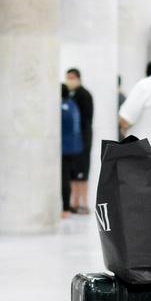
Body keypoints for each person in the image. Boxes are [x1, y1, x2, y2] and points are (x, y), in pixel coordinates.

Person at [65, 68, 94, 215]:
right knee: (73, 174)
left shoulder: (84, 95)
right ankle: (74, 202)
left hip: (83, 140)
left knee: (83, 173)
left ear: (78, 78)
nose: (69, 80)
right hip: (72, 142)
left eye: (72, 77)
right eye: (67, 77)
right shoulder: (70, 95)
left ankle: (84, 203)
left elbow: (87, 120)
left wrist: (84, 140)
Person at [60, 84, 83, 219]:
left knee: (64, 178)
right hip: (74, 147)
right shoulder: (72, 104)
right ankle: (67, 207)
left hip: (64, 148)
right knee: (69, 178)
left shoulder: (61, 107)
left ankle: (65, 208)